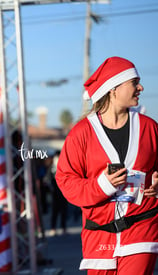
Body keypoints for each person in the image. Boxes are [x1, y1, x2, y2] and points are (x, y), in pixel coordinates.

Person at [55, 56, 158, 274]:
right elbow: (66, 181)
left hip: (142, 229)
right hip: (98, 236)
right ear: (113, 89)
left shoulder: (150, 128)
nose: (140, 87)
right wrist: (102, 186)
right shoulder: (81, 133)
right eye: (134, 82)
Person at [44, 150, 68, 236]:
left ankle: (63, 228)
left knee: (63, 211)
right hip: (55, 192)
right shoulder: (51, 167)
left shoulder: (65, 167)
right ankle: (53, 228)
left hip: (63, 192)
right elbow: (47, 179)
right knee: (55, 211)